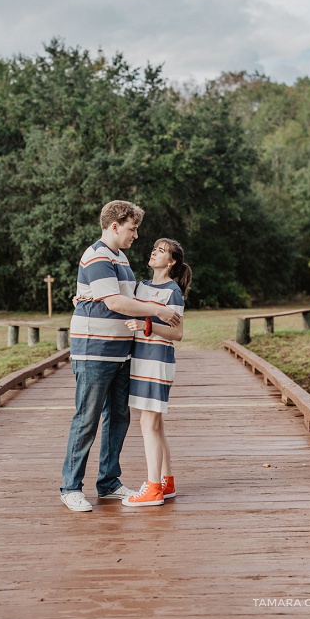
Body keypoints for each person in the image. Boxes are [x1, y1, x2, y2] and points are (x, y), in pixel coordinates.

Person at [59, 200, 182, 512]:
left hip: (121, 352)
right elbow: (116, 303)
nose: (136, 235)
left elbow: (126, 297)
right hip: (94, 351)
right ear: (114, 226)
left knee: (118, 418)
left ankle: (109, 481)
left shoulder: (121, 259)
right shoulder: (97, 255)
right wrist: (159, 311)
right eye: (132, 228)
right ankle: (71, 487)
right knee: (87, 418)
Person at [121, 238, 191, 507]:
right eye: (154, 249)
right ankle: (166, 481)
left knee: (147, 424)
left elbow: (177, 333)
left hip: (157, 360)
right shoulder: (141, 286)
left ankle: (152, 490)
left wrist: (146, 325)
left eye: (161, 251)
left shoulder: (172, 292)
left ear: (171, 262)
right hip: (139, 359)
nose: (154, 253)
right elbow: (119, 303)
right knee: (156, 424)